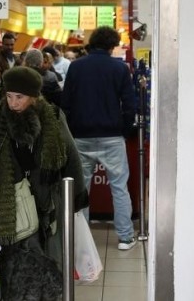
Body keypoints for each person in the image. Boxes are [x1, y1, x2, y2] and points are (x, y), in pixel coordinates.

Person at [0, 66, 89, 301]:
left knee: (47, 261)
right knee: (13, 264)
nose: (13, 103)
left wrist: (76, 195)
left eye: (19, 97)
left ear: (34, 96)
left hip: (46, 200)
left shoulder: (53, 116)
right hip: (8, 203)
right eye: (8, 96)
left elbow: (71, 154)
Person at [60, 26, 138, 251]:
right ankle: (124, 237)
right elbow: (129, 104)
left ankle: (81, 239)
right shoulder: (119, 68)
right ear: (112, 45)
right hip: (112, 136)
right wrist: (123, 129)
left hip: (81, 136)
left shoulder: (75, 67)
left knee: (81, 189)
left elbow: (66, 103)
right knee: (119, 187)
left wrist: (72, 129)